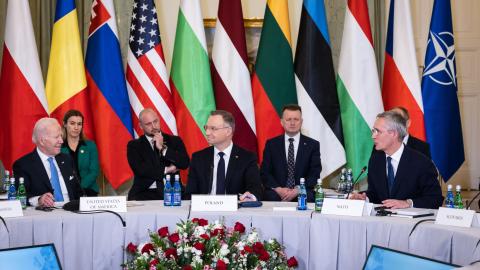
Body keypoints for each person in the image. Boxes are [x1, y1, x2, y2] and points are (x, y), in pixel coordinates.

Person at [350, 111, 443, 209]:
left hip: (410, 222)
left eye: (377, 131)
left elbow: (435, 199)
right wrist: (364, 198)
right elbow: (375, 194)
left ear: (393, 134)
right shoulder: (376, 160)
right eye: (373, 131)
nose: (373, 136)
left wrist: (408, 203)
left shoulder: (421, 162)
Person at [185, 110, 263, 201]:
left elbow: (256, 189)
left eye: (213, 128)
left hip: (235, 212)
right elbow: (189, 193)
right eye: (206, 128)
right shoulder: (198, 158)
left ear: (228, 131)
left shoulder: (247, 158)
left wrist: (250, 197)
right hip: (204, 211)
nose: (207, 133)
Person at [13, 118, 83, 207]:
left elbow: (78, 191)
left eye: (61, 136)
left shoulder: (67, 159)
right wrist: (39, 199)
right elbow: (21, 195)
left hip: (72, 212)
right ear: (42, 141)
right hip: (45, 215)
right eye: (56, 137)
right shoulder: (23, 165)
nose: (61, 141)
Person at [261, 104, 321, 202]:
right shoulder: (271, 144)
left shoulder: (312, 145)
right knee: (270, 197)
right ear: (282, 122)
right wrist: (278, 189)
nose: (292, 123)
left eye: (296, 119)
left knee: (306, 197)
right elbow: (265, 172)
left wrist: (298, 189)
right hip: (277, 193)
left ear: (301, 122)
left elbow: (314, 174)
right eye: (288, 119)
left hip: (302, 191)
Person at [127, 108, 189, 200]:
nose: (153, 126)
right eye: (148, 124)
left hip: (173, 191)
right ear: (141, 126)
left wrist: (163, 149)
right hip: (144, 193)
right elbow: (142, 170)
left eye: (155, 121)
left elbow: (184, 163)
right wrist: (167, 169)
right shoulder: (134, 146)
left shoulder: (175, 140)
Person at [61, 110, 100, 196]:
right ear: (65, 124)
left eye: (79, 124)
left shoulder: (90, 145)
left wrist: (80, 187)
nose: (76, 127)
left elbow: (94, 171)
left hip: (88, 190)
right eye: (72, 123)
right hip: (66, 192)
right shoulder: (59, 147)